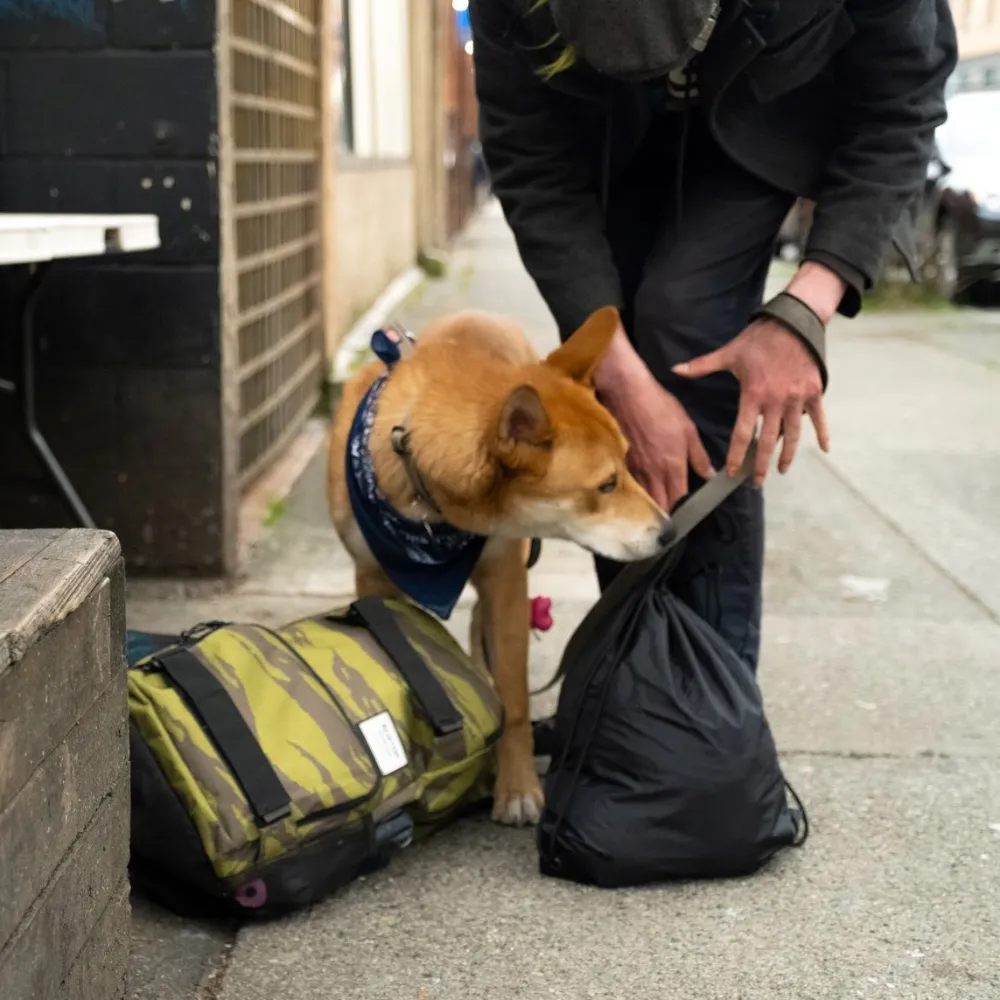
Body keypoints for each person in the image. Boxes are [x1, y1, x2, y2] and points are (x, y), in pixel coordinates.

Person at [470, 0, 956, 671]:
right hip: (605, 139)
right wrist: (620, 381)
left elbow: (901, 104)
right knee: (616, 366)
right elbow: (531, 166)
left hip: (765, 121)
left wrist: (803, 311)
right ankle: (632, 691)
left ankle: (714, 716)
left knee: (684, 322)